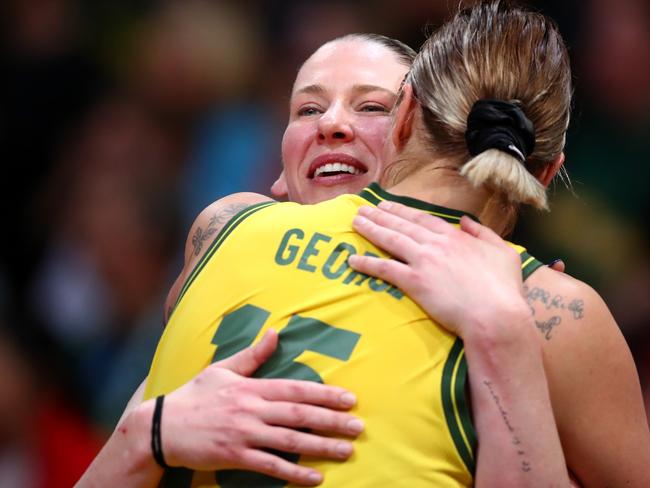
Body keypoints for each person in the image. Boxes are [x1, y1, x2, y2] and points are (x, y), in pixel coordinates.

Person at [136, 1, 650, 486]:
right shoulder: (554, 313)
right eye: (308, 109)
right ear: (545, 173)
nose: (333, 125)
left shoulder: (225, 226)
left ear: (404, 120)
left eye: (371, 106)